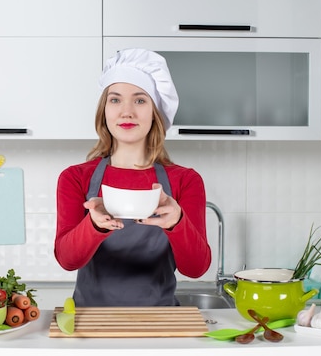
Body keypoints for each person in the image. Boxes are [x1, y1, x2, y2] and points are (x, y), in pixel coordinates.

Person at [54, 48, 212, 307]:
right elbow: (67, 260)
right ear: (104, 110)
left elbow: (196, 269)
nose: (126, 112)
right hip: (91, 324)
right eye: (115, 100)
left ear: (155, 112)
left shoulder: (186, 180)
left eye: (139, 100)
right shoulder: (75, 178)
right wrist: (93, 225)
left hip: (160, 324)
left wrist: (176, 221)